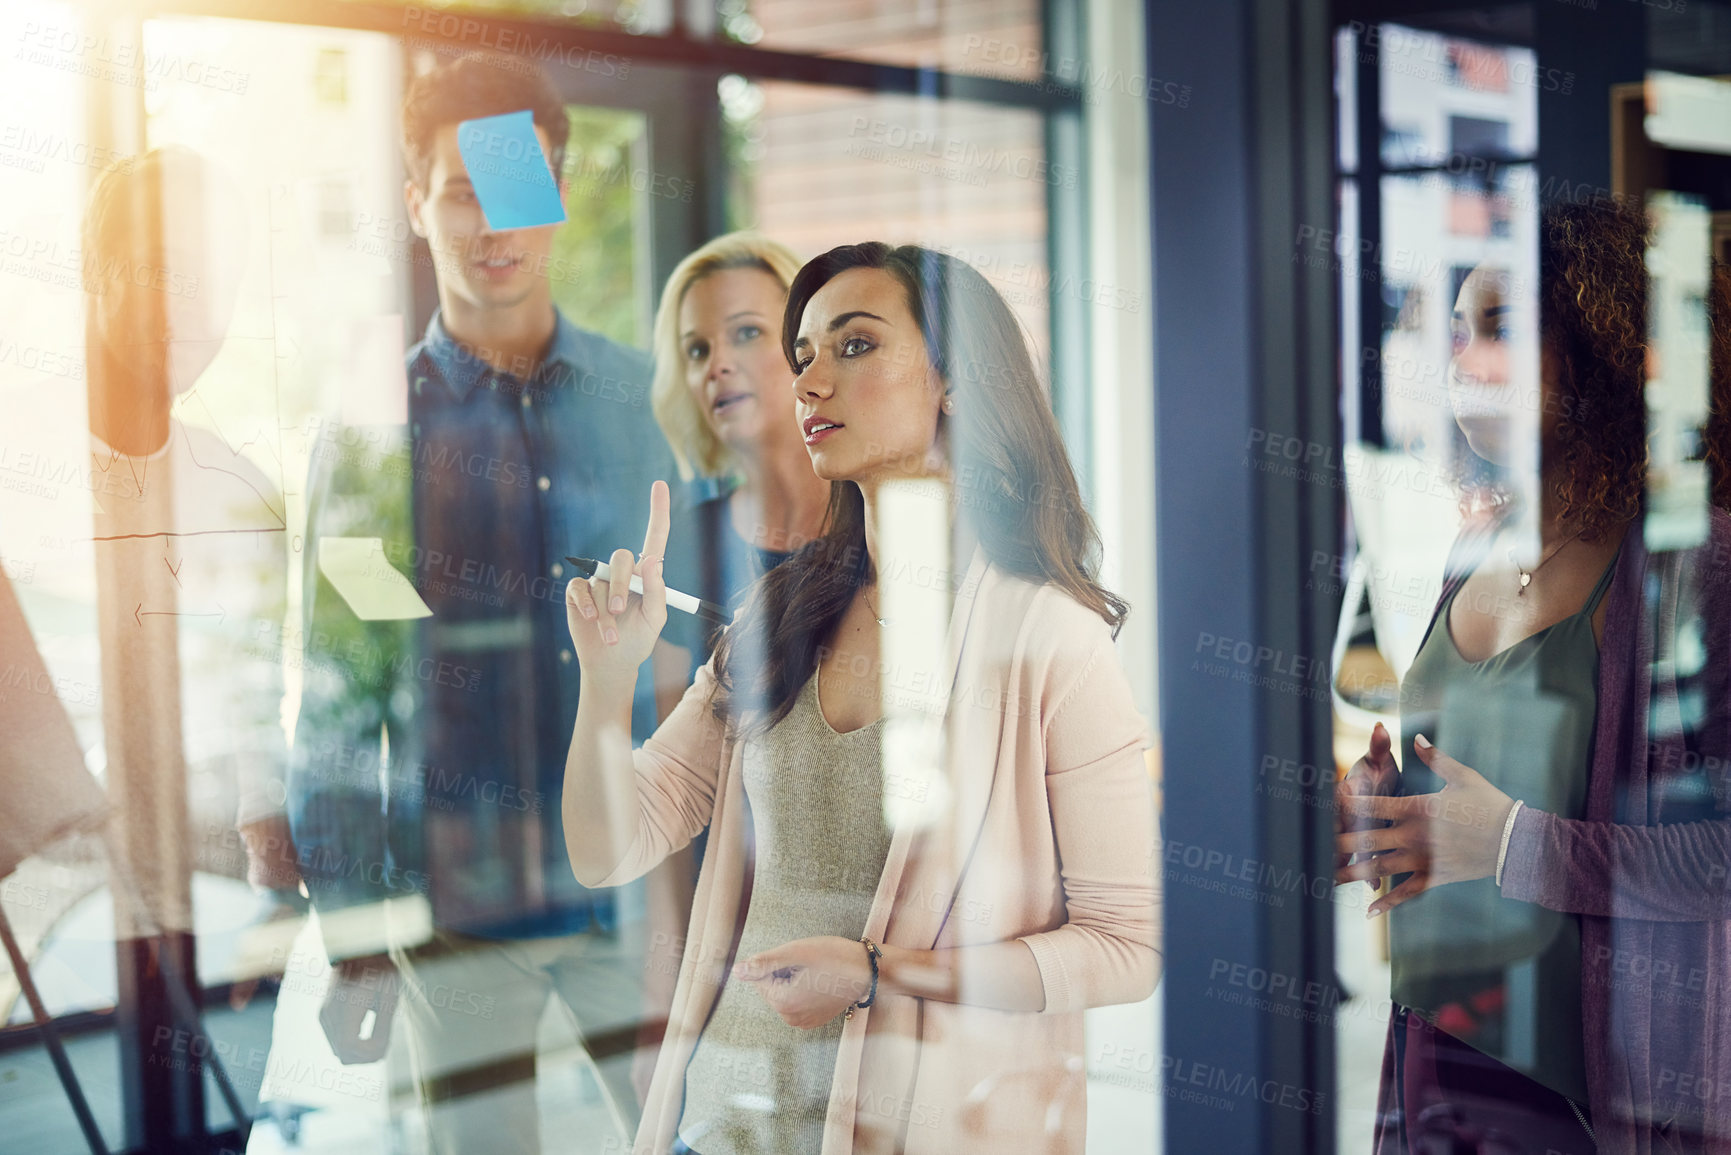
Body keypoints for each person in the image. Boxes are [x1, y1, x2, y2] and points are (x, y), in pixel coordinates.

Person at [563, 242, 1162, 1153]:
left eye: (853, 346)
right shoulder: (781, 613)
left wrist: (884, 974)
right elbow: (609, 847)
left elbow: (1126, 947)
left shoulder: (1049, 639)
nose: (807, 382)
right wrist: (605, 686)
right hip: (723, 1120)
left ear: (955, 378)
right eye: (801, 355)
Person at [285, 52, 693, 1153]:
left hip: (632, 899)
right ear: (417, 205)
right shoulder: (375, 429)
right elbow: (337, 695)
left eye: (519, 189)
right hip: (459, 915)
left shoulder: (631, 403)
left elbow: (700, 664)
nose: (493, 225)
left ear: (556, 197)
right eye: (463, 190)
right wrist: (354, 931)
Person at [1334, 199, 1731, 1153]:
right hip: (1434, 1046)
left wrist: (1511, 842)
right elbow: (1474, 785)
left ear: (1603, 340)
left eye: (1501, 326)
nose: (1463, 357)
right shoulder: (1473, 547)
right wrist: (1390, 808)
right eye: (1457, 329)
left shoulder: (1696, 559)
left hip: (1597, 1094)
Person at [652, 231, 829, 664]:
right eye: (697, 350)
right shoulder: (682, 546)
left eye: (747, 332)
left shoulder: (882, 519)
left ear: (806, 345)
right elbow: (672, 731)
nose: (717, 365)